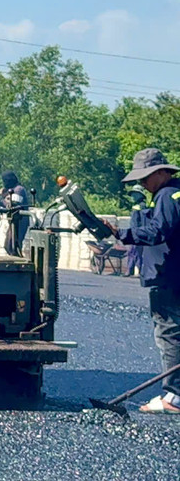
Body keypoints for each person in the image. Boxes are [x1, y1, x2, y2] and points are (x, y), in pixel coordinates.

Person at [101, 148, 180, 414]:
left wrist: (122, 233)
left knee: (169, 333)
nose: (142, 184)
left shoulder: (168, 195)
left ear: (161, 172)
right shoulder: (175, 193)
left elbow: (159, 231)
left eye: (145, 178)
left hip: (169, 276)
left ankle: (174, 396)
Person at [1, 171, 32, 256]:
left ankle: (18, 261)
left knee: (13, 245)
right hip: (14, 221)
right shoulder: (12, 190)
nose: (4, 183)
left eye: (5, 181)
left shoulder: (19, 190)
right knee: (8, 245)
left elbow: (12, 205)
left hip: (20, 221)